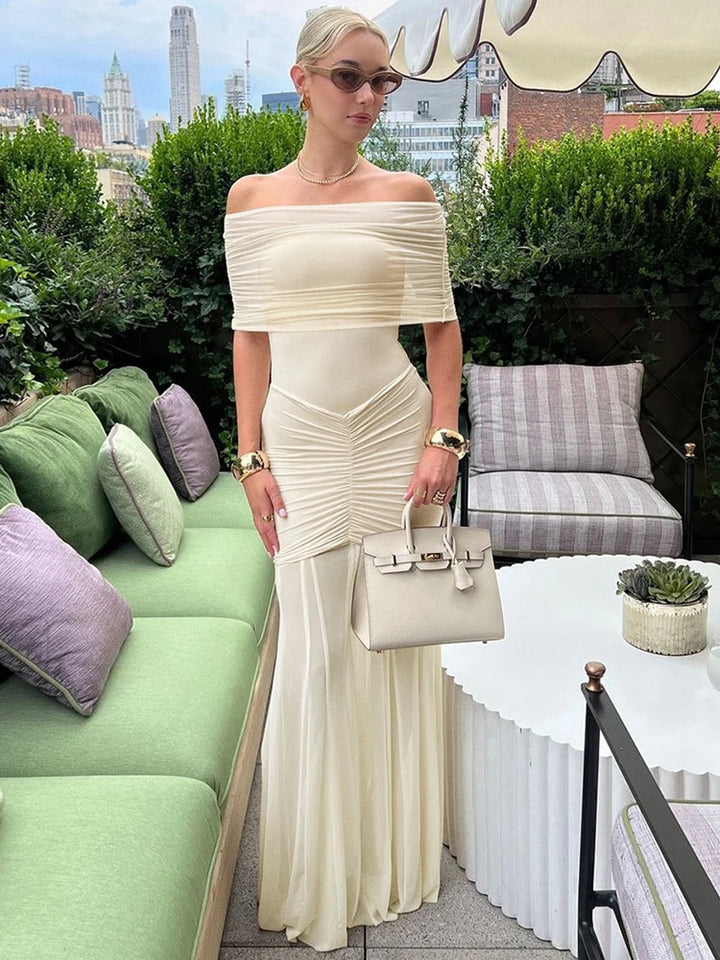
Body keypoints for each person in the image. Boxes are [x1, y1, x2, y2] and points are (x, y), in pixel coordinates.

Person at [223, 7, 464, 951]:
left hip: (395, 432)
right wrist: (250, 457)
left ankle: (391, 853)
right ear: (303, 80)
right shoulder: (250, 200)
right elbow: (249, 338)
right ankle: (320, 867)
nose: (368, 96)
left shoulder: (409, 193)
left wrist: (443, 438)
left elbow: (441, 332)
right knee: (316, 654)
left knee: (394, 641)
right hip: (304, 446)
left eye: (382, 81)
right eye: (349, 77)